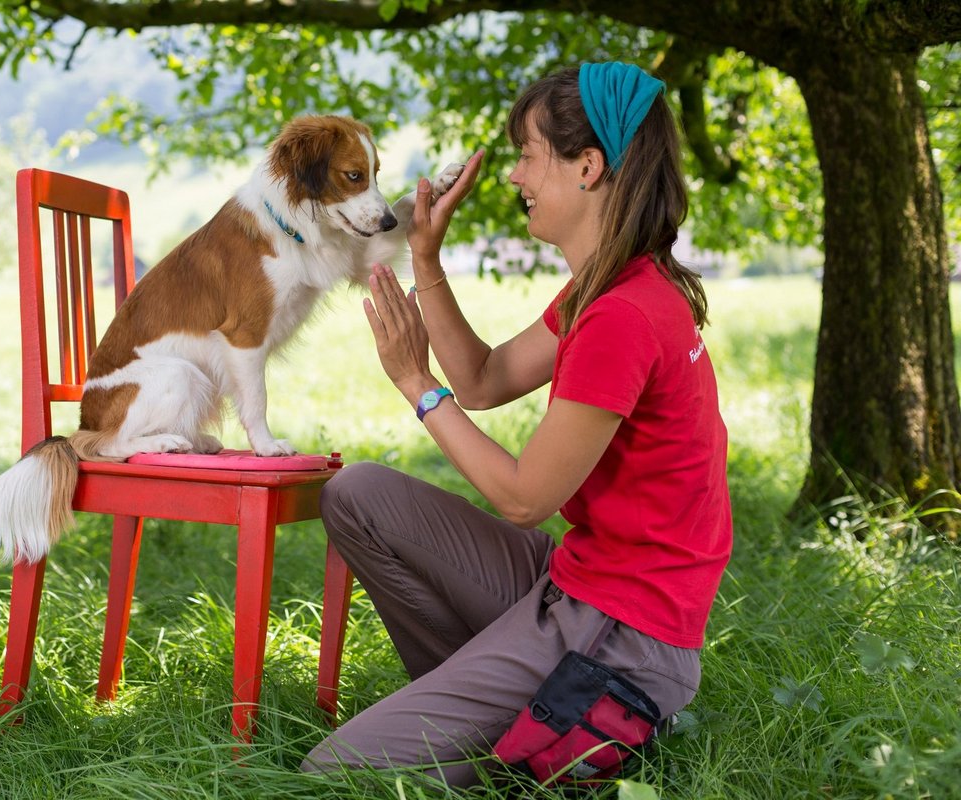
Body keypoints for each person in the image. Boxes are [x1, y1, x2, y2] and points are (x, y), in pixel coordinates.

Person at [302, 62, 733, 788]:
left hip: (621, 636)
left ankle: (560, 728)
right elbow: (482, 379)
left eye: (529, 155)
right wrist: (425, 256)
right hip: (574, 584)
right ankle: (499, 710)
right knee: (357, 495)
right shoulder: (608, 286)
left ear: (587, 167)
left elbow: (525, 498)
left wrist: (416, 384)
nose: (514, 176)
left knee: (335, 774)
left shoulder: (623, 316)